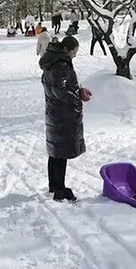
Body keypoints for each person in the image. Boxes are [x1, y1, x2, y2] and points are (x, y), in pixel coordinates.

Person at [39, 35, 91, 202]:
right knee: (60, 152)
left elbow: (62, 86)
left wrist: (79, 88)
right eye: (73, 53)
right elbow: (60, 91)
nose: (74, 56)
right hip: (63, 114)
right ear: (66, 50)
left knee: (56, 151)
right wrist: (78, 98)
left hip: (55, 112)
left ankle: (54, 186)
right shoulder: (60, 65)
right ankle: (59, 189)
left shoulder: (53, 61)